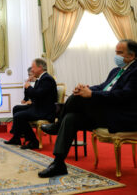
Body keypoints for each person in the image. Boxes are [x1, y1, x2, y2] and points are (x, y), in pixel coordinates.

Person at [39, 39, 137, 178]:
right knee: (70, 118)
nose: (117, 56)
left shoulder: (135, 71)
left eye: (120, 53)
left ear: (132, 56)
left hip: (121, 116)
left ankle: (57, 125)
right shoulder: (116, 70)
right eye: (116, 52)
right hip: (105, 113)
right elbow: (103, 86)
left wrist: (91, 94)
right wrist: (86, 89)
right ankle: (58, 163)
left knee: (78, 98)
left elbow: (124, 96)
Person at [4, 58, 57, 149]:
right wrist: (27, 85)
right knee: (16, 108)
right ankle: (16, 137)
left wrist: (29, 87)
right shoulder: (40, 79)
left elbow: (37, 94)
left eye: (33, 67)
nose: (31, 70)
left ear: (40, 68)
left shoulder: (47, 79)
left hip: (44, 111)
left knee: (19, 116)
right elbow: (32, 95)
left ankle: (33, 141)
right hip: (38, 107)